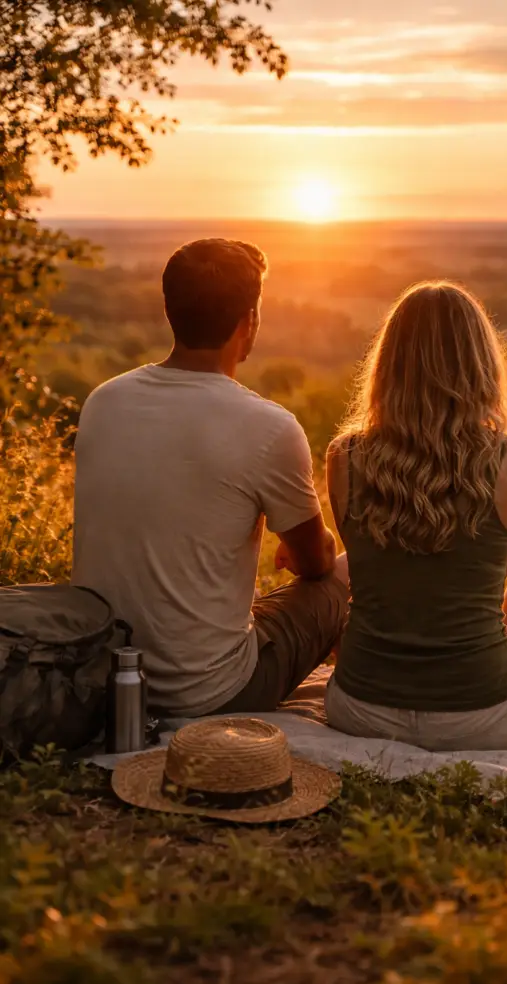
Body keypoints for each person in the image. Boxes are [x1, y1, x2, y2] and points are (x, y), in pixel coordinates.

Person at [325, 280, 507, 752]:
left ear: (388, 366)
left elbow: (374, 571)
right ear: (481, 364)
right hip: (489, 717)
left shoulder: (343, 456)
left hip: (357, 709)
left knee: (344, 566)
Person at [72, 238, 347, 718]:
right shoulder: (268, 427)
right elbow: (317, 563)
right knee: (346, 573)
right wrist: (304, 547)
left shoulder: (103, 402)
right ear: (249, 321)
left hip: (106, 684)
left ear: (169, 310)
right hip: (212, 696)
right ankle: (366, 700)